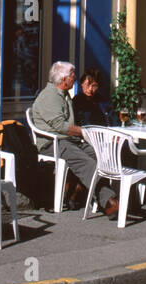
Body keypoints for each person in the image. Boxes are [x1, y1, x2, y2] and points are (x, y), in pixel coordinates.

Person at [30, 61, 118, 218]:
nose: (75, 78)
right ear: (63, 79)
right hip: (52, 143)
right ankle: (110, 200)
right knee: (86, 162)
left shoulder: (62, 95)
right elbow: (60, 126)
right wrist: (85, 133)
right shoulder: (50, 96)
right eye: (72, 75)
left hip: (68, 140)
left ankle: (100, 198)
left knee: (100, 153)